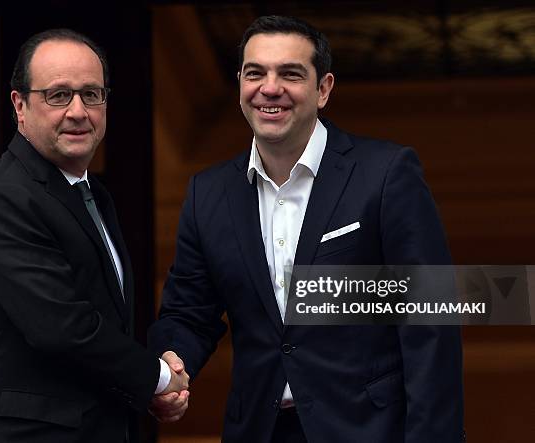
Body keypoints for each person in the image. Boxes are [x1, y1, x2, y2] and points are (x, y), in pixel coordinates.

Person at [148, 15, 464, 443]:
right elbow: (189, 312)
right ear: (240, 83)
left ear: (323, 89)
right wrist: (170, 363)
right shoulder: (208, 193)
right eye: (255, 73)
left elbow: (429, 320)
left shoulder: (386, 174)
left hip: (368, 430)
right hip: (258, 430)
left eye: (290, 73)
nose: (270, 87)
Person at [0, 29, 188, 442]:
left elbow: (103, 324)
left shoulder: (91, 195)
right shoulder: (6, 198)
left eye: (92, 94)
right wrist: (158, 378)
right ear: (20, 105)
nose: (78, 111)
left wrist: (145, 386)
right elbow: (63, 328)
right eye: (58, 95)